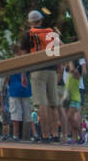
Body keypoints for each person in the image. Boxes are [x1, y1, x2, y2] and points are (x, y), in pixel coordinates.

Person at [25, 10, 62, 143]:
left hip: (37, 70)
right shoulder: (50, 32)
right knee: (53, 103)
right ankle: (55, 134)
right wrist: (59, 67)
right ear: (41, 20)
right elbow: (60, 48)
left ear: (30, 22)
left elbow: (24, 55)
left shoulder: (29, 34)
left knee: (41, 104)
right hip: (52, 70)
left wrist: (25, 73)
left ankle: (45, 136)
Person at [6, 36, 33, 141]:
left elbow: (7, 76)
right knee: (28, 115)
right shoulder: (27, 60)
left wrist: (4, 89)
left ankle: (16, 135)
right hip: (26, 90)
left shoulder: (11, 62)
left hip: (14, 90)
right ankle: (33, 134)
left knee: (15, 115)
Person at [63, 61, 84, 143]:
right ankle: (75, 137)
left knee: (69, 117)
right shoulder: (68, 75)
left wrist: (70, 61)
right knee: (70, 119)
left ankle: (81, 134)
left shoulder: (76, 74)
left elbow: (72, 69)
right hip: (68, 99)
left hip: (75, 99)